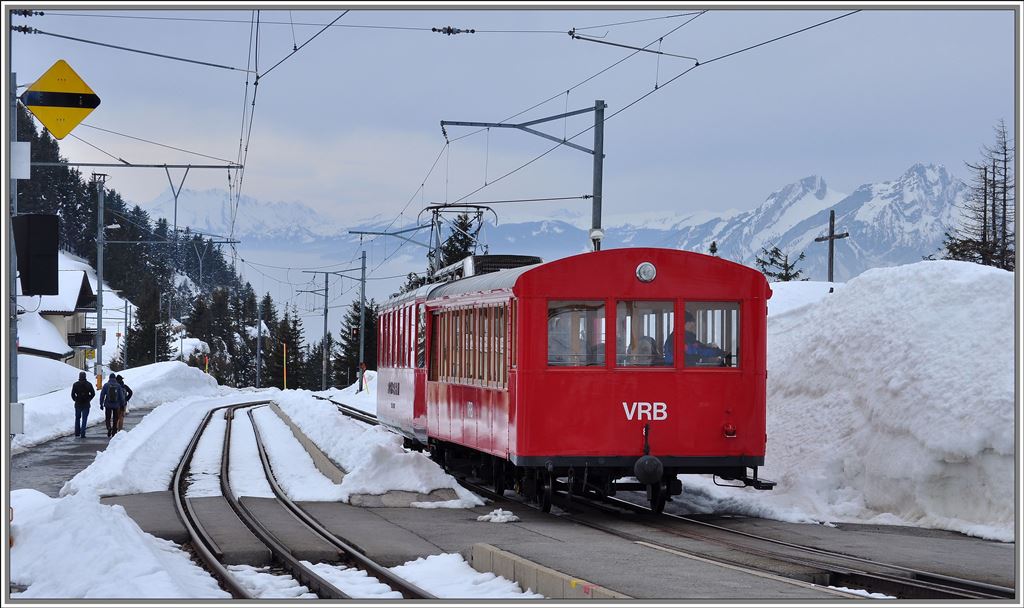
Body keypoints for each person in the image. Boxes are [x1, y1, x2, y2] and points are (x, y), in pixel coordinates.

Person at [71, 371, 96, 438]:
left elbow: (72, 394)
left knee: (77, 418)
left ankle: (77, 433)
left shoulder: (75, 384)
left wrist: (75, 400)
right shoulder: (89, 384)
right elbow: (93, 394)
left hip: (78, 404)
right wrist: (89, 399)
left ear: (79, 376)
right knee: (84, 419)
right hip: (86, 404)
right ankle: (82, 433)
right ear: (85, 376)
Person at [98, 373, 118, 437]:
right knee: (115, 418)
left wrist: (101, 403)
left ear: (109, 378)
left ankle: (109, 427)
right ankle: (114, 431)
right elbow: (121, 396)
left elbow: (102, 395)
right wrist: (122, 403)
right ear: (115, 378)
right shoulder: (118, 385)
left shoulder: (106, 385)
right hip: (116, 405)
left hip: (108, 404)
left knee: (108, 418)